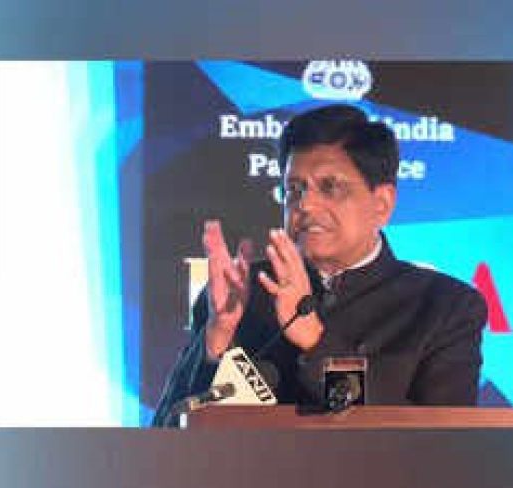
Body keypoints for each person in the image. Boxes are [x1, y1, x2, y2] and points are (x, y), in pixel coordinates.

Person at [152, 104, 487, 426]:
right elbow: (166, 433)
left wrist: (316, 342)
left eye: (330, 187)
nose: (306, 204)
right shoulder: (241, 294)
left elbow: (440, 445)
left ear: (382, 204)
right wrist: (217, 340)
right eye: (294, 189)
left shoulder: (445, 308)